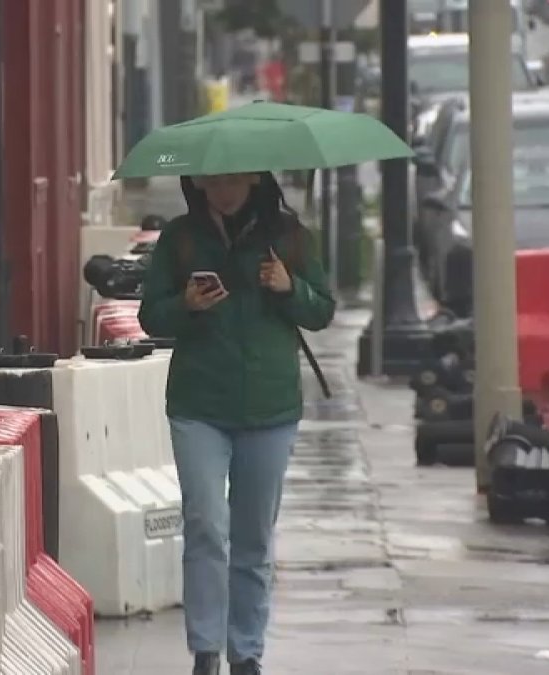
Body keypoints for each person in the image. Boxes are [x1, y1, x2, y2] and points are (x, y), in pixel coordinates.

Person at [138, 172, 336, 675]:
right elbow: (150, 315)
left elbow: (322, 309)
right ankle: (206, 649)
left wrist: (290, 288)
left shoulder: (289, 236)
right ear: (198, 183)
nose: (222, 190)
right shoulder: (181, 238)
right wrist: (184, 305)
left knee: (252, 538)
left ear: (253, 178)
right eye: (212, 181)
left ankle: (245, 651)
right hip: (199, 403)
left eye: (232, 180)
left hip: (269, 407)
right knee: (205, 522)